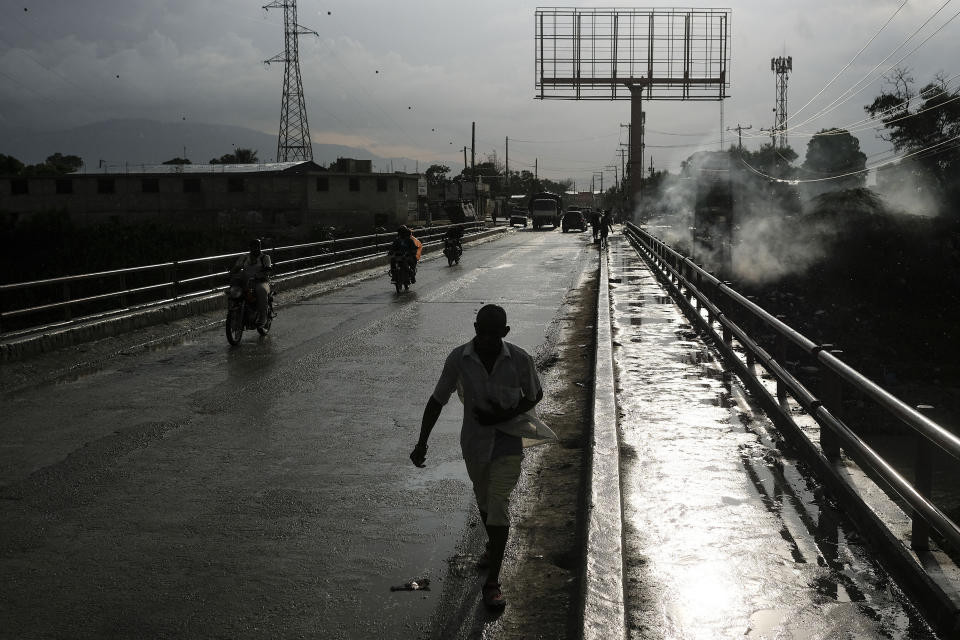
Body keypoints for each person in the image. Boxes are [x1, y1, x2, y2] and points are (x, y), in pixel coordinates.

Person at [410, 304, 544, 609]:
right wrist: (422, 443)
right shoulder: (459, 359)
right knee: (484, 502)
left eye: (492, 335)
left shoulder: (520, 359)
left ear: (505, 333)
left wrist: (505, 414)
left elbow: (534, 395)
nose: (485, 340)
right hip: (473, 444)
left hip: (508, 443)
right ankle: (492, 546)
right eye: (481, 333)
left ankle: (493, 582)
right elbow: (437, 400)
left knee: (497, 504)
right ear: (475, 329)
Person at [232, 238, 272, 328]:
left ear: (260, 247)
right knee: (233, 292)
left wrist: (263, 273)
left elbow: (268, 269)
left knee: (261, 290)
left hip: (261, 281)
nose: (255, 248)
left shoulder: (265, 257)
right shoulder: (244, 257)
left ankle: (263, 318)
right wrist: (231, 274)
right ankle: (233, 315)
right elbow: (237, 267)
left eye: (257, 246)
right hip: (246, 282)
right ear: (250, 247)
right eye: (253, 246)